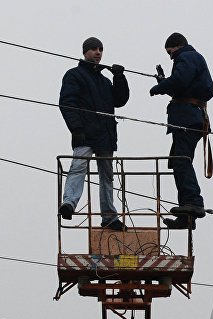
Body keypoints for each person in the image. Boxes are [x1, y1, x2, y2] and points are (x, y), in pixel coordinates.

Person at [59, 36, 129, 231]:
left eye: (100, 49)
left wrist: (119, 77)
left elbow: (119, 100)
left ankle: (109, 216)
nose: (98, 52)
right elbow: (67, 103)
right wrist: (77, 129)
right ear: (85, 52)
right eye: (94, 49)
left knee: (107, 175)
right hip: (85, 133)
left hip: (105, 135)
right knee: (78, 166)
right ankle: (69, 203)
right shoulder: (74, 75)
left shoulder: (105, 81)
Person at [149, 32, 213, 230]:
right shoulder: (192, 58)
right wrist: (165, 82)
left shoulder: (186, 56)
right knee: (179, 162)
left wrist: (159, 87)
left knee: (182, 161)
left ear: (176, 46)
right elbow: (182, 87)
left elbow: (180, 81)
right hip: (191, 118)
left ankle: (193, 203)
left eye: (170, 53)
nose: (170, 57)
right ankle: (187, 216)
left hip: (187, 119)